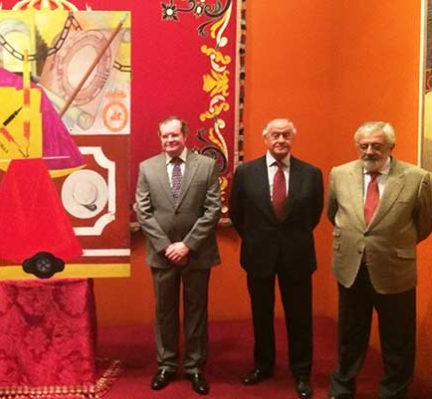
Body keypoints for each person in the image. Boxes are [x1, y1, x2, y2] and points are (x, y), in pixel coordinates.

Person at [327, 121, 432, 399]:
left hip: (395, 270)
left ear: (390, 147)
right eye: (364, 146)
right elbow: (333, 213)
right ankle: (342, 386)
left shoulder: (417, 178)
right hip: (351, 267)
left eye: (377, 145)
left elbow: (423, 225)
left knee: (397, 338)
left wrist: (390, 244)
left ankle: (393, 391)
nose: (370, 151)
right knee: (350, 335)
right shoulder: (340, 174)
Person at [229, 118, 323, 399]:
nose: (280, 140)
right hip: (258, 255)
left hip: (297, 255)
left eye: (285, 135)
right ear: (265, 138)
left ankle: (302, 372)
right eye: (275, 135)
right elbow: (237, 213)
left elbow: (314, 214)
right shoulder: (246, 172)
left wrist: (290, 239)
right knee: (261, 315)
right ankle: (263, 365)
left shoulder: (311, 173)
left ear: (293, 138)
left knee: (300, 317)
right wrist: (257, 237)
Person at [135, 116, 221, 395]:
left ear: (184, 135)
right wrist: (166, 246)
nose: (169, 140)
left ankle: (195, 367)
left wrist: (187, 245)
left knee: (197, 311)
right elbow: (143, 212)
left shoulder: (206, 166)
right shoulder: (147, 168)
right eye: (164, 136)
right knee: (164, 312)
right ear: (159, 138)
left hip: (197, 254)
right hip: (162, 255)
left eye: (174, 135)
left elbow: (213, 210)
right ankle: (166, 364)